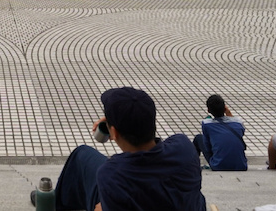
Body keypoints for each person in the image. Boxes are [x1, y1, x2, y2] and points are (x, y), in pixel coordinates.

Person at [37, 87, 206, 211]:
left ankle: (52, 202)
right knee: (83, 157)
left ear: (114, 132)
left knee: (82, 154)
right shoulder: (184, 146)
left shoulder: (112, 174)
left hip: (128, 189)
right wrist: (119, 126)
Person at [192, 95, 247, 171]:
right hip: (241, 165)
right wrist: (229, 113)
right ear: (225, 108)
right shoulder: (238, 122)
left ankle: (192, 166)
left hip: (218, 165)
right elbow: (240, 132)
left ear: (208, 110)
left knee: (198, 138)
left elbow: (208, 148)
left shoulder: (207, 124)